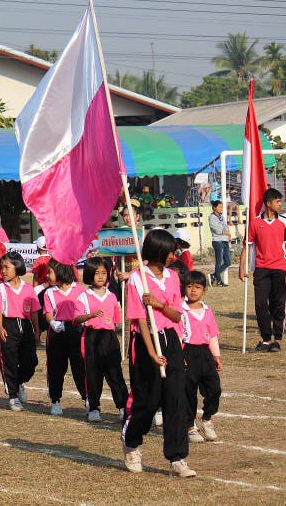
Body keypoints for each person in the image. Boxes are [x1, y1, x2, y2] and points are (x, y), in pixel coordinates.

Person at [122, 229, 194, 477]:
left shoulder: (173, 277)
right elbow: (140, 320)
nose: (173, 255)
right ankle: (132, 443)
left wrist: (158, 304)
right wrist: (152, 354)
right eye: (169, 251)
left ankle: (177, 457)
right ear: (157, 251)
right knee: (148, 401)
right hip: (146, 342)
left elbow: (176, 314)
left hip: (171, 340)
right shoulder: (137, 278)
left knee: (176, 399)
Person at [74, 257, 128, 422]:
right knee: (93, 373)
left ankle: (123, 406)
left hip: (109, 337)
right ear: (89, 274)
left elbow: (116, 320)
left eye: (104, 273)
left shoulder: (111, 296)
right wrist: (91, 315)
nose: (100, 276)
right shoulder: (84, 296)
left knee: (115, 373)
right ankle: (94, 407)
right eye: (97, 273)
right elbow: (76, 319)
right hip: (91, 337)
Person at [0, 251, 40, 411]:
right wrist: (0, 326)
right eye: (1, 267)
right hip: (8, 326)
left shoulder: (28, 289)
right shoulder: (0, 288)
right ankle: (12, 396)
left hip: (25, 327)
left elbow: (34, 312)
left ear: (17, 267)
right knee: (9, 362)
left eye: (6, 267)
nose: (3, 271)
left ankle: (18, 383)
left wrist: (37, 331)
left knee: (31, 361)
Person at [239, 188, 286, 352]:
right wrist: (241, 267)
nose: (280, 204)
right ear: (268, 203)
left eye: (281, 201)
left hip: (280, 268)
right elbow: (247, 246)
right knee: (260, 304)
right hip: (261, 269)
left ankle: (277, 340)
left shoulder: (284, 222)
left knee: (278, 304)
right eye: (278, 201)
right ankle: (266, 339)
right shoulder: (255, 222)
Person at [180, 270, 222, 444]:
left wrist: (216, 356)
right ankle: (190, 426)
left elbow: (212, 335)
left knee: (215, 388)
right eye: (189, 286)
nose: (193, 290)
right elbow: (177, 336)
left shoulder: (207, 311)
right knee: (189, 392)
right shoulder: (180, 310)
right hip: (187, 353)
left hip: (205, 354)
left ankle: (206, 419)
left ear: (204, 290)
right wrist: (179, 356)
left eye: (197, 287)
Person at [44, 261, 87, 416]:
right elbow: (48, 312)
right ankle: (55, 400)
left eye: (50, 272)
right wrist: (53, 323)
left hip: (76, 330)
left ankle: (87, 398)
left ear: (61, 272)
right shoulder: (50, 292)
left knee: (80, 366)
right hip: (58, 331)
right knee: (56, 367)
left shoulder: (79, 290)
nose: (47, 275)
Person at [208, 200, 231, 287]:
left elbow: (225, 227)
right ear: (214, 208)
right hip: (217, 241)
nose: (221, 208)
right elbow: (217, 230)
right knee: (218, 261)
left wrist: (228, 236)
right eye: (220, 206)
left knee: (228, 262)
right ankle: (219, 281)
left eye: (222, 206)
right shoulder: (212, 217)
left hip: (224, 241)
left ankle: (213, 275)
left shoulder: (222, 217)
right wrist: (226, 233)